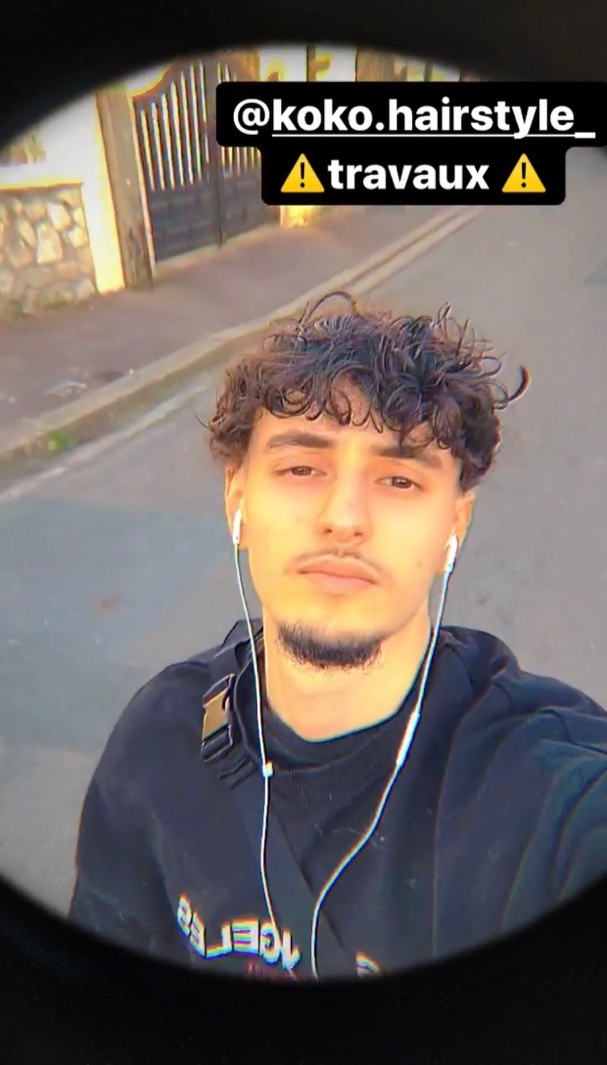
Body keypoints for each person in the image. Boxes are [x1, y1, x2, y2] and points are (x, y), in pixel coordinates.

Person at [68, 292, 607, 982]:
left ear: (454, 524)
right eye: (301, 468)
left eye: (399, 479)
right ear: (237, 498)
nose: (344, 517)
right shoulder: (157, 743)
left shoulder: (546, 792)